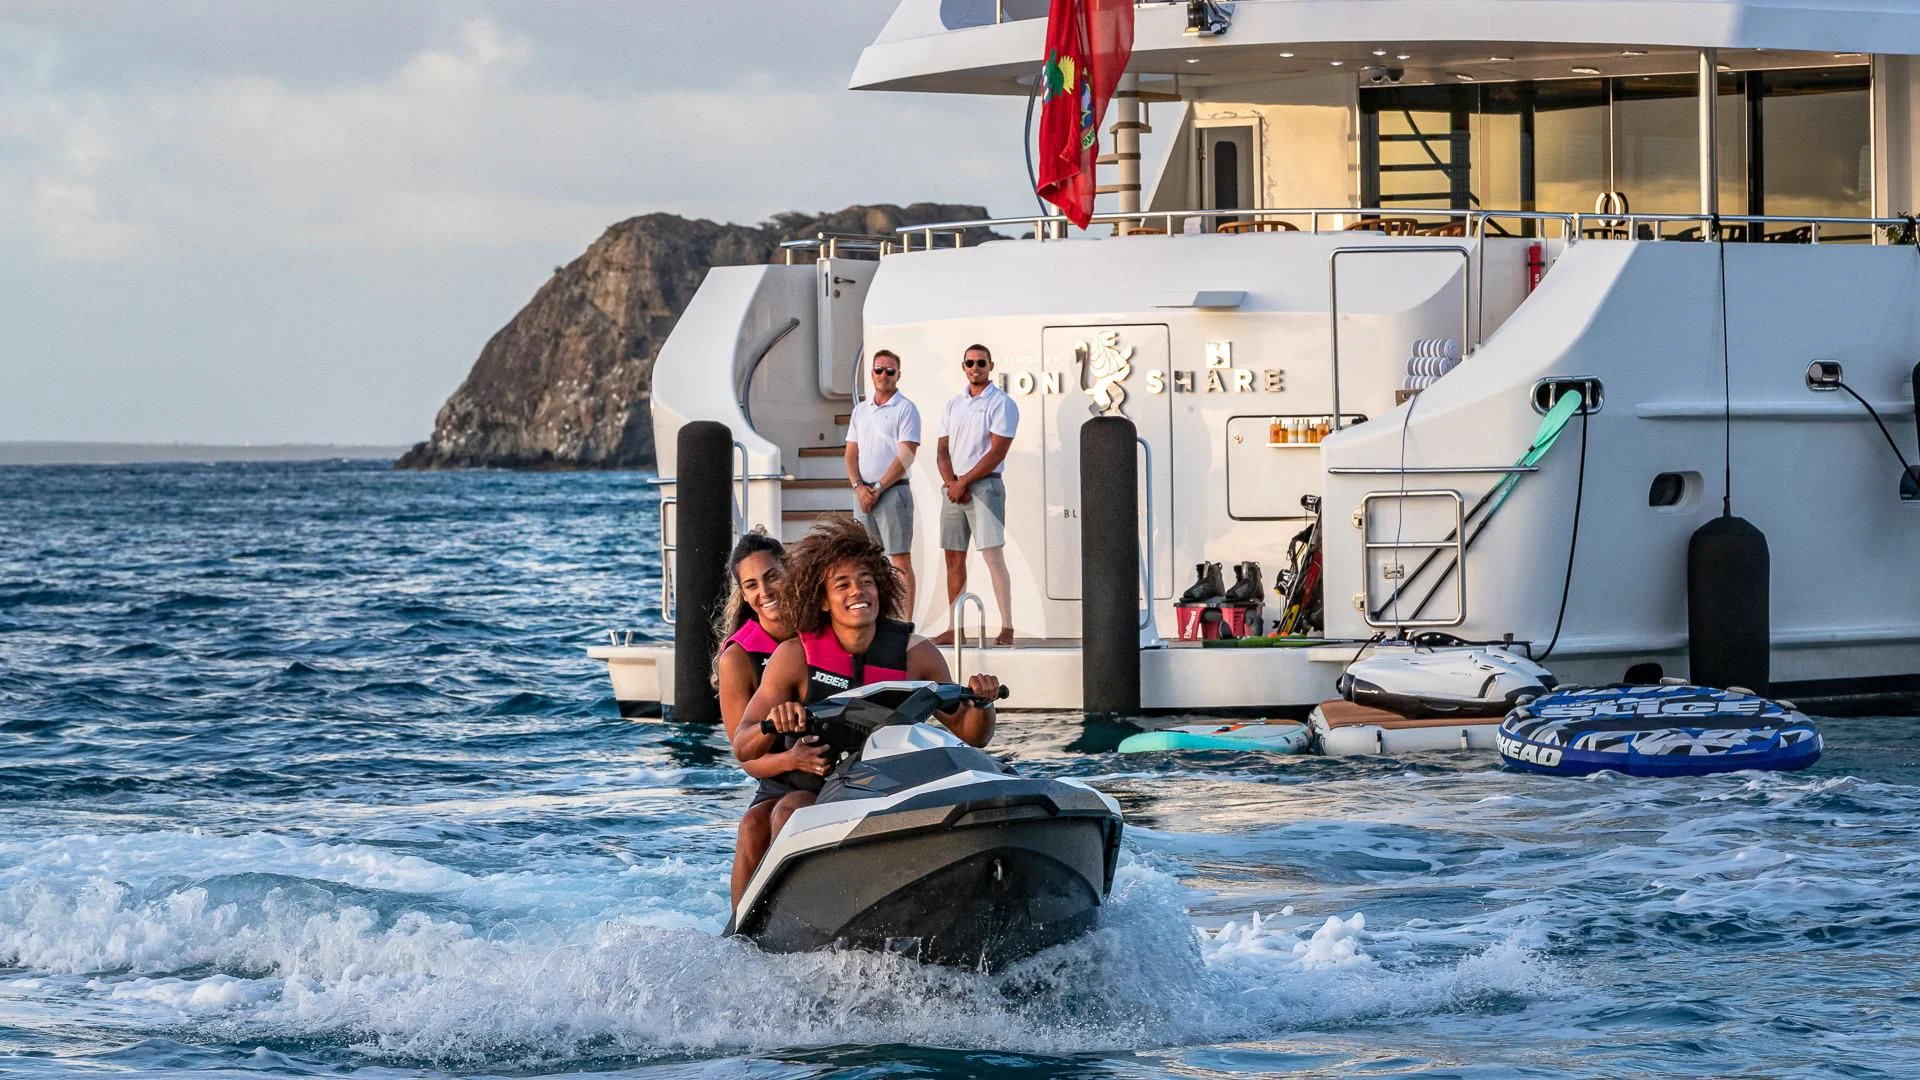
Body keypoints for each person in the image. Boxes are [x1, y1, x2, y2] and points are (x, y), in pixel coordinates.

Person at [732, 517, 1000, 866]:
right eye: (841, 585)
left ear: (880, 588)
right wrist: (774, 723)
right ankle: (749, 921)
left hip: (883, 783)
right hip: (807, 783)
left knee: (788, 812)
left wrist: (983, 701)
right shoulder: (794, 656)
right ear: (824, 600)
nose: (856, 591)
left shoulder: (915, 654)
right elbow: (742, 745)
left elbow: (973, 735)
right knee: (763, 821)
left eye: (865, 582)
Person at [709, 529, 825, 909]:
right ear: (743, 594)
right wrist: (793, 760)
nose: (766, 591)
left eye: (772, 576)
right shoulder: (738, 658)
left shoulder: (823, 624)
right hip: (780, 774)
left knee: (781, 814)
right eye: (752, 585)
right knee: (751, 825)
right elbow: (746, 757)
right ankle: (742, 934)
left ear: (789, 571)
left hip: (835, 763)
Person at [933, 343, 1020, 646]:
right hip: (955, 488)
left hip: (985, 486)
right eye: (970, 362)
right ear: (963, 366)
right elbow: (942, 451)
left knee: (992, 555)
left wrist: (964, 482)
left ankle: (1007, 626)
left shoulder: (1001, 403)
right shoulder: (953, 404)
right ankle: (956, 626)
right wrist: (951, 483)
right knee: (953, 557)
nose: (975, 368)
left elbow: (997, 452)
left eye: (981, 363)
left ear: (990, 366)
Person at [844, 348, 920, 613]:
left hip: (892, 492)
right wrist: (858, 487)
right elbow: (851, 453)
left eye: (890, 371)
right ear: (872, 373)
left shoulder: (906, 409)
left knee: (899, 560)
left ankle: (906, 623)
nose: (884, 375)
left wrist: (878, 488)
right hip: (862, 495)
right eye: (879, 370)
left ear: (898, 375)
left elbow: (907, 454)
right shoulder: (860, 411)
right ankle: (877, 617)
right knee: (866, 561)